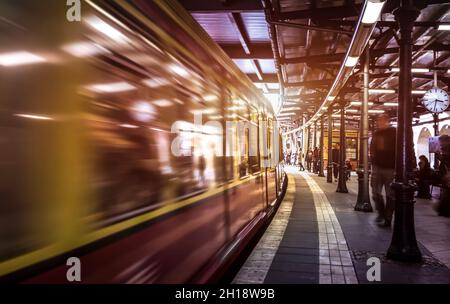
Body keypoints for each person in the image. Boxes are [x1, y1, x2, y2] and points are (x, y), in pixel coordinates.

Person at [370, 114, 396, 227]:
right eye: (378, 121)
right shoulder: (376, 133)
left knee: (390, 194)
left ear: (387, 121)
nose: (379, 123)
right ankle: (381, 213)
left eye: (382, 120)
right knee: (375, 192)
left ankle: (388, 218)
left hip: (390, 168)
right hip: (377, 167)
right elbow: (372, 148)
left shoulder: (394, 132)